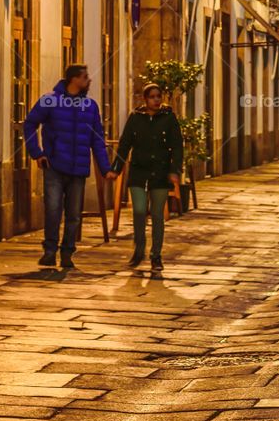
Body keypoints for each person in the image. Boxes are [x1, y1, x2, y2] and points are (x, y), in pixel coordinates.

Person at [23, 64, 112, 270]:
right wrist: (37, 153)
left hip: (78, 167)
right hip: (55, 164)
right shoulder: (50, 100)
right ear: (74, 79)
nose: (88, 80)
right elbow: (30, 124)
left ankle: (67, 252)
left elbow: (97, 139)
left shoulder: (90, 106)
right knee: (53, 210)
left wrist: (105, 167)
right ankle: (50, 251)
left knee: (73, 214)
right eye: (85, 77)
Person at [106, 83, 183, 272]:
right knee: (139, 211)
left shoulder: (169, 118)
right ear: (145, 99)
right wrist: (116, 168)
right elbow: (125, 145)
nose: (156, 100)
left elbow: (177, 146)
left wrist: (174, 170)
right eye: (152, 97)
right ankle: (139, 249)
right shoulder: (136, 118)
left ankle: (156, 255)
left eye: (159, 96)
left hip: (161, 172)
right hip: (139, 171)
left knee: (157, 215)